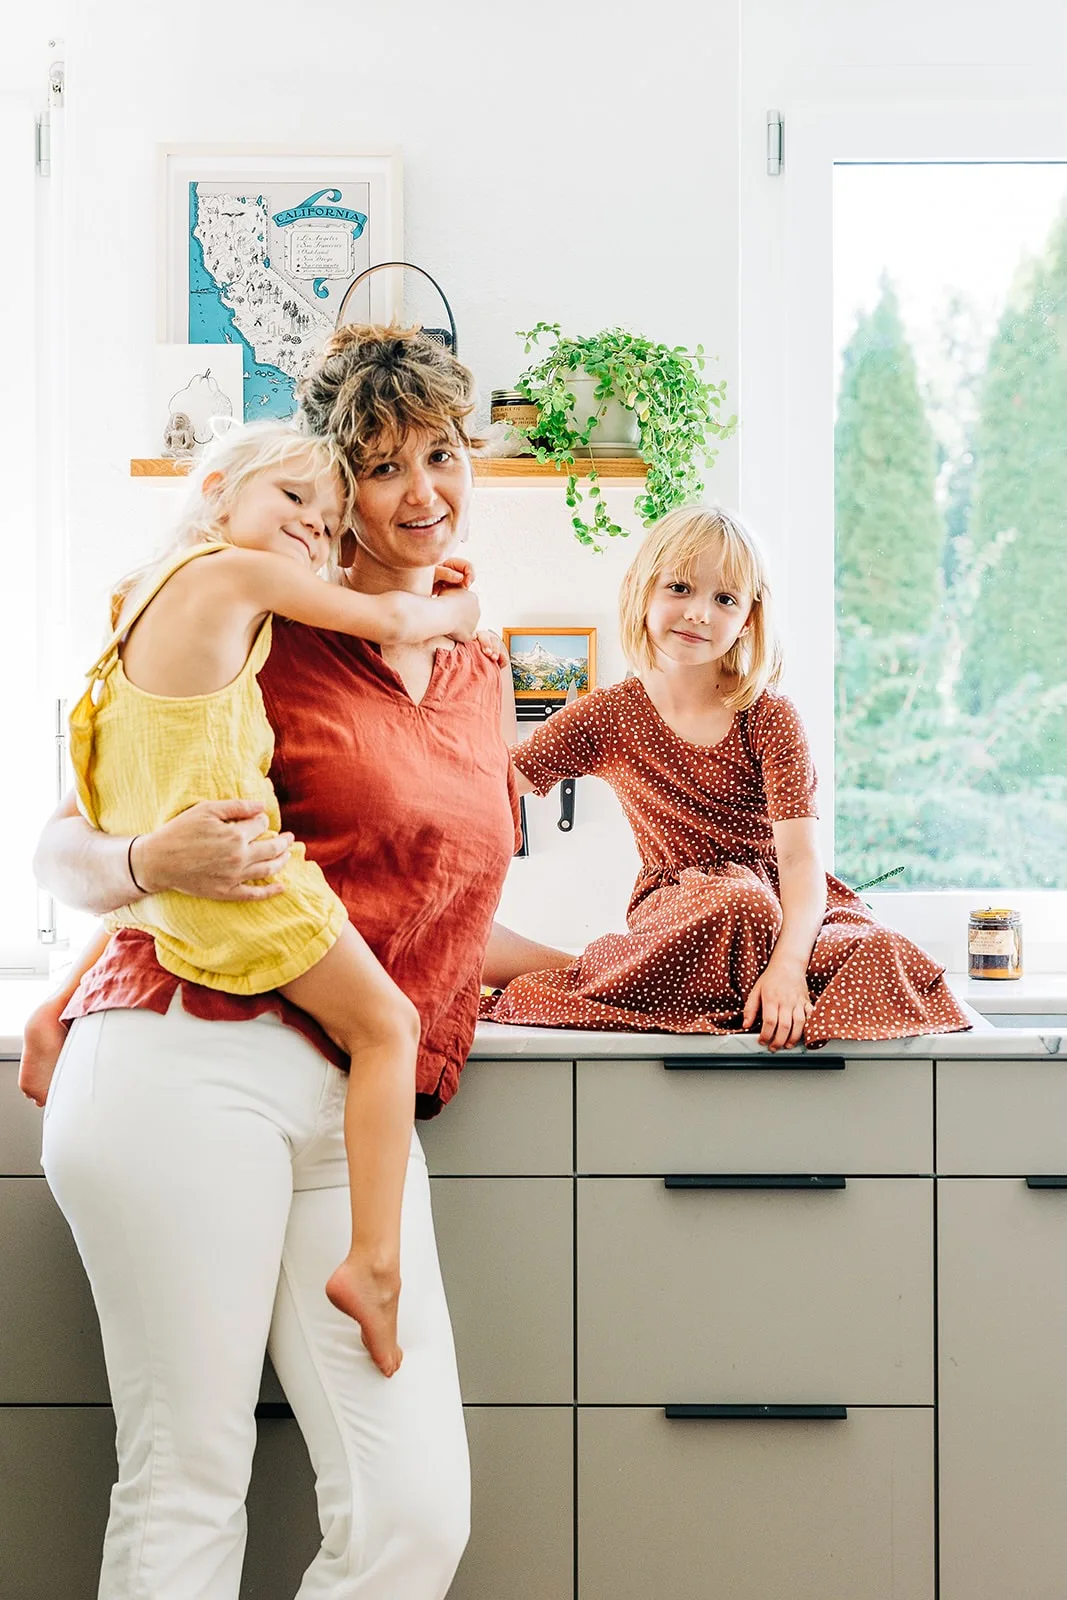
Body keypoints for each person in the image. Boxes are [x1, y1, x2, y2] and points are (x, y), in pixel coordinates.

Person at [22, 323, 557, 1600]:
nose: (420, 492)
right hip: (193, 1056)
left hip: (353, 1102)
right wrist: (143, 874)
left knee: (413, 1516)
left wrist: (619, 971)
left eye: (442, 454)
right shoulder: (266, 613)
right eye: (379, 467)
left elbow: (424, 907)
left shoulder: (481, 666)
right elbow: (68, 842)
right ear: (332, 479)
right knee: (188, 1482)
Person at [481, 504, 972, 1048]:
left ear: (747, 621)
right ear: (643, 591)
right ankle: (596, 974)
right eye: (681, 588)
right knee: (741, 904)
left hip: (787, 907)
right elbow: (494, 780)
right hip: (688, 908)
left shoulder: (769, 716)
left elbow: (802, 862)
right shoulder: (608, 715)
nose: (699, 613)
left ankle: (674, 987)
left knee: (880, 950)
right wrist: (495, 686)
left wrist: (788, 965)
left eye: (724, 599)